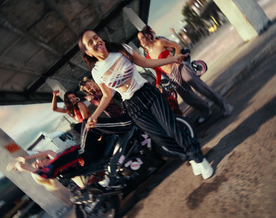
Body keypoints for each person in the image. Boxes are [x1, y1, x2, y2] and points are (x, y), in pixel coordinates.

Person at [78, 29, 214, 179]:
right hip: (133, 106)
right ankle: (190, 157)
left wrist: (173, 59)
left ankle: (199, 158)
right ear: (88, 52)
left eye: (96, 37)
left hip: (148, 93)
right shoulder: (96, 72)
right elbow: (107, 95)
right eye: (90, 43)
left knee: (172, 128)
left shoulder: (121, 49)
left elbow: (147, 63)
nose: (96, 42)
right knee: (162, 139)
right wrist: (95, 116)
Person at [138, 26, 233, 123]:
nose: (142, 40)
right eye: (139, 39)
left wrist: (176, 59)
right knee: (188, 98)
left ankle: (225, 105)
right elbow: (158, 71)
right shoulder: (148, 57)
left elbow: (177, 46)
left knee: (202, 88)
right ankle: (206, 110)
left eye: (142, 37)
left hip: (180, 68)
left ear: (147, 36)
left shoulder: (160, 42)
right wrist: (157, 84)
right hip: (172, 77)